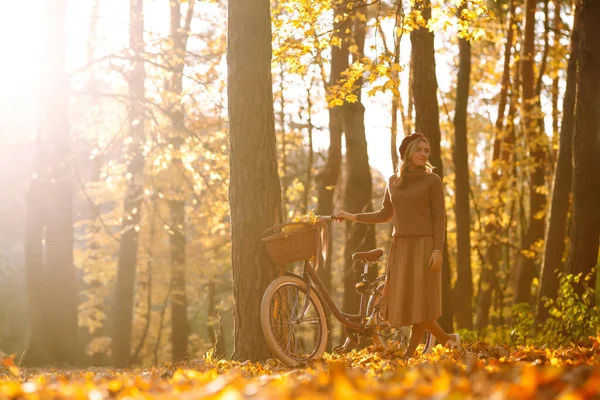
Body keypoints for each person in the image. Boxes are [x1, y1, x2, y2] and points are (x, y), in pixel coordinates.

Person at [334, 132, 460, 358]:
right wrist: (352, 216)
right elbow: (384, 214)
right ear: (408, 152)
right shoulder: (393, 181)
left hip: (425, 246)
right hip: (400, 247)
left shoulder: (433, 181)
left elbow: (439, 218)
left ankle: (410, 355)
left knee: (420, 305)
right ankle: (449, 341)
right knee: (406, 303)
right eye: (420, 150)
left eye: (427, 151)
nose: (424, 154)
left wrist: (438, 250)